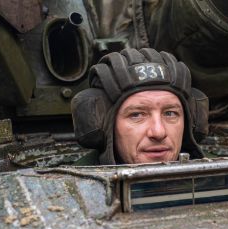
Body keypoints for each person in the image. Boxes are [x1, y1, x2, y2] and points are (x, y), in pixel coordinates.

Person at [71, 48, 209, 165]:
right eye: (136, 115)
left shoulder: (221, 174)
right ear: (105, 125)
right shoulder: (71, 190)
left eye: (170, 113)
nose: (158, 132)